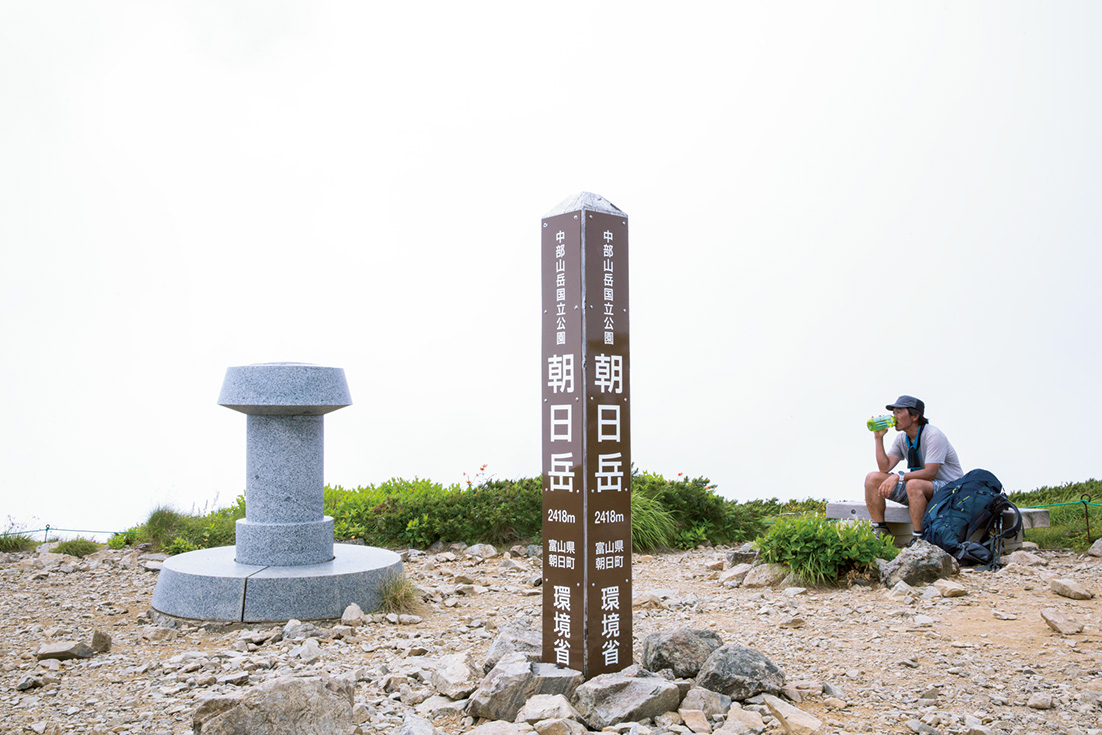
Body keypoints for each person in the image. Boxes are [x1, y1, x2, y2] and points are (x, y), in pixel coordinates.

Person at [864, 395, 963, 545]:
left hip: (950, 490)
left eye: (899, 412)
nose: (894, 417)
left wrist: (898, 477)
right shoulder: (902, 439)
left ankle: (919, 538)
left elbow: (930, 473)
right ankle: (880, 530)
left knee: (913, 484)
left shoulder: (933, 435)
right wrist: (878, 438)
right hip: (920, 489)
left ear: (915, 416)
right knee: (872, 478)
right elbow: (884, 467)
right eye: (893, 413)